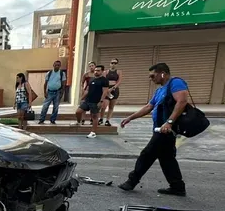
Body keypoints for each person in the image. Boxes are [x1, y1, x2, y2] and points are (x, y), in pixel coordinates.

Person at [117, 63, 188, 196]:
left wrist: (169, 122)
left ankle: (131, 181)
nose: (151, 79)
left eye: (152, 76)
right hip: (160, 128)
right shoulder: (160, 90)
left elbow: (182, 102)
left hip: (166, 129)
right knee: (167, 158)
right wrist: (130, 118)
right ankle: (177, 186)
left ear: (162, 73)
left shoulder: (176, 83)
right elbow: (149, 106)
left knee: (147, 154)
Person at [73, 65, 108, 138]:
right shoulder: (91, 79)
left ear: (102, 71)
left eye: (98, 70)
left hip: (96, 102)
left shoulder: (104, 80)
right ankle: (78, 122)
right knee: (78, 112)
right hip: (87, 100)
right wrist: (82, 98)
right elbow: (87, 90)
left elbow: (105, 92)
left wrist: (101, 101)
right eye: (95, 70)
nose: (96, 72)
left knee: (94, 117)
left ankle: (93, 132)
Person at [38, 60, 66, 125]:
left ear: (60, 66)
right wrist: (45, 92)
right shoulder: (49, 73)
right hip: (50, 92)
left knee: (56, 107)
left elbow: (63, 84)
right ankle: (41, 120)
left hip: (57, 92)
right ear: (53, 65)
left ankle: (52, 120)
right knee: (45, 106)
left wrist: (62, 93)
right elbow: (45, 83)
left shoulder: (62, 73)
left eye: (58, 65)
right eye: (56, 65)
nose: (57, 66)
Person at [101, 58, 121, 127]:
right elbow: (103, 81)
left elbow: (119, 81)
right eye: (112, 63)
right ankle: (101, 119)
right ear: (110, 63)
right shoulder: (106, 72)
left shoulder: (119, 72)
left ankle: (107, 120)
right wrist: (107, 89)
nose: (113, 64)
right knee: (104, 105)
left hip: (114, 90)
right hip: (107, 89)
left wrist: (113, 88)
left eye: (115, 63)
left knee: (111, 107)